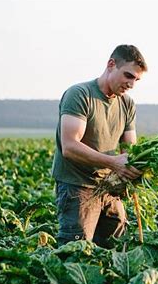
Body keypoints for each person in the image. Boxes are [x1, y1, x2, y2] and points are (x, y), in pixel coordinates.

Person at [51, 45, 147, 247]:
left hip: (109, 186)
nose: (131, 84)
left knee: (114, 244)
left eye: (136, 80)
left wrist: (137, 166)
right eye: (128, 75)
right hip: (77, 187)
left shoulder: (127, 104)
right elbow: (69, 146)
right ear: (111, 65)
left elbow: (130, 149)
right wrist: (114, 163)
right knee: (76, 251)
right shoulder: (80, 94)